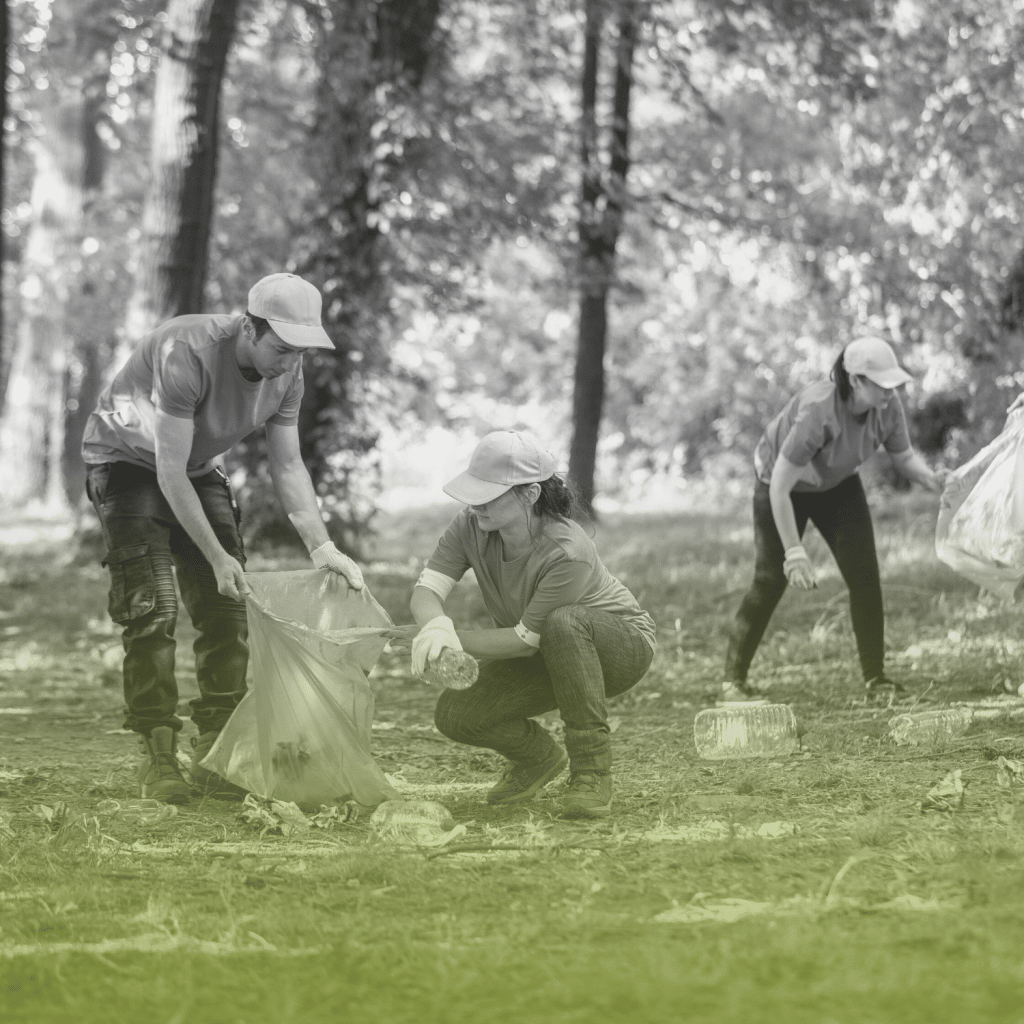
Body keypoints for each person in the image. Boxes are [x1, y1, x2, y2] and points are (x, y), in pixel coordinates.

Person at [82, 273, 365, 805]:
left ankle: (219, 751)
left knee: (229, 607)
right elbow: (167, 471)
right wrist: (214, 555)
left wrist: (323, 547)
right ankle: (158, 752)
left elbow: (288, 465)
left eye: (301, 350)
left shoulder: (288, 372)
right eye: (281, 348)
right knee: (152, 607)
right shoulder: (186, 350)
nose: (289, 362)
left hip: (196, 464)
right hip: (126, 462)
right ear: (249, 328)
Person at [386, 430, 657, 819]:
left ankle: (592, 773)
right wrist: (434, 627)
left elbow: (523, 641)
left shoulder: (567, 551)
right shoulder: (470, 525)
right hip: (550, 650)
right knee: (456, 715)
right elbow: (427, 590)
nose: (472, 501)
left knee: (564, 623)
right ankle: (538, 758)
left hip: (618, 649)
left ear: (528, 495)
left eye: (487, 492)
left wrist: (453, 638)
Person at [721, 336, 946, 706]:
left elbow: (904, 458)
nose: (891, 391)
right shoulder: (818, 410)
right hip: (781, 485)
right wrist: (794, 552)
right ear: (855, 380)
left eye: (893, 383)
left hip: (837, 484)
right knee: (770, 579)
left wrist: (932, 479)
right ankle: (732, 681)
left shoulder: (887, 407)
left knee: (864, 575)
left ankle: (876, 679)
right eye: (882, 384)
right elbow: (779, 486)